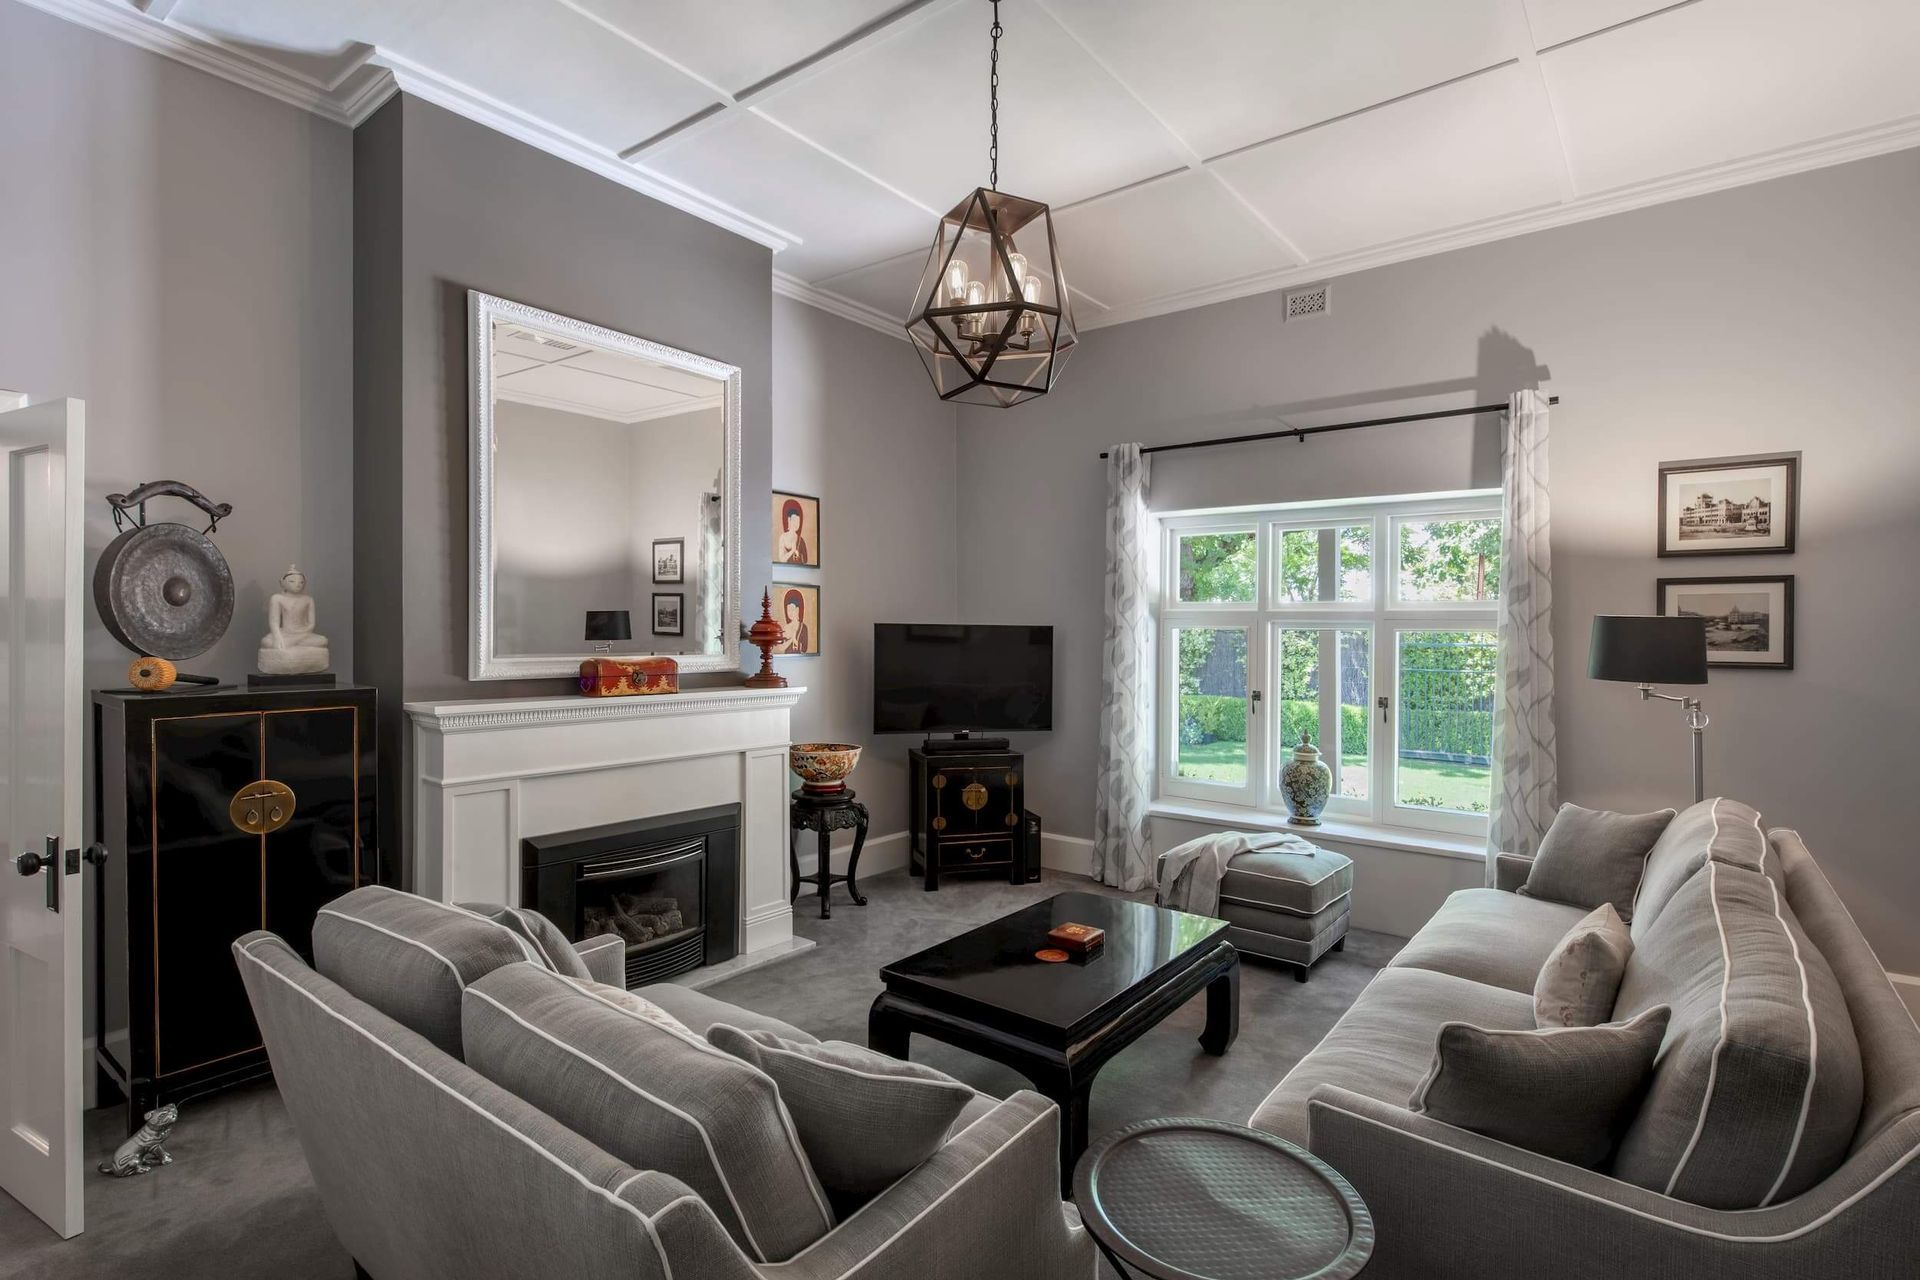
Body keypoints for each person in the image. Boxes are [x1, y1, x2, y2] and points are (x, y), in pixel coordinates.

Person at [777, 498, 810, 564]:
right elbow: (781, 559)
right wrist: (792, 551)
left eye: (798, 521)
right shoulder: (783, 537)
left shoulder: (801, 540)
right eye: (794, 520)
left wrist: (798, 556)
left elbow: (805, 561)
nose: (796, 524)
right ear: (789, 520)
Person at [778, 588, 810, 654]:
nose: (790, 613)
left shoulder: (803, 627)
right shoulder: (786, 627)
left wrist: (795, 640)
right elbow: (780, 647)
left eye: (792, 610)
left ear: (797, 610)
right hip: (786, 659)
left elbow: (804, 649)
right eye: (788, 610)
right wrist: (791, 640)